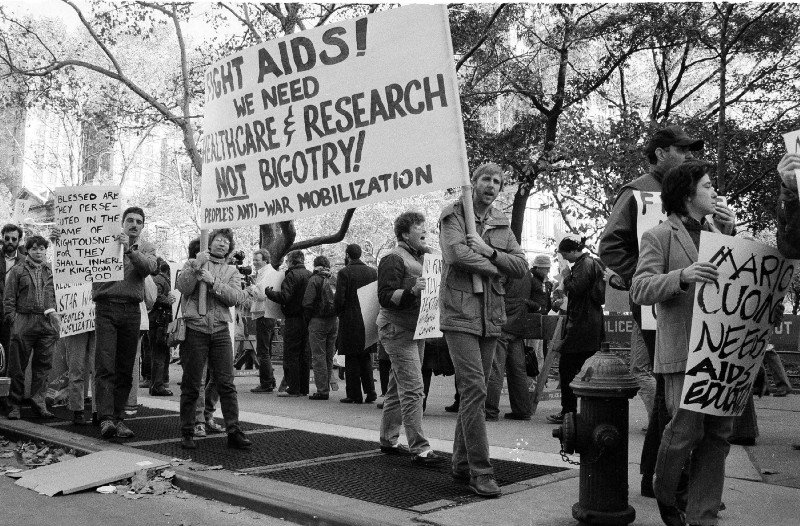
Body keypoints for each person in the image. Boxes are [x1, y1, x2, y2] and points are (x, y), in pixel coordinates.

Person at [598, 124, 735, 497]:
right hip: (660, 307)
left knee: (684, 404)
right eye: (682, 149)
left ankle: (670, 481)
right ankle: (663, 481)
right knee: (669, 395)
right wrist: (654, 275)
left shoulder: (705, 214)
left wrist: (727, 232)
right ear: (660, 153)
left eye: (692, 151)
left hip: (703, 318)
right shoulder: (636, 192)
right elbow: (610, 246)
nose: (689, 156)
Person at [631, 160, 732, 526]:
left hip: (722, 354)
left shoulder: (720, 233)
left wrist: (728, 235)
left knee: (718, 435)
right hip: (684, 351)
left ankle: (703, 515)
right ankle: (665, 487)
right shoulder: (659, 235)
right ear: (688, 195)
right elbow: (640, 288)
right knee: (686, 431)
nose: (714, 192)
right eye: (707, 186)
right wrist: (682, 276)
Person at [439, 163, 527, 498]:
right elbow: (456, 253)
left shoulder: (502, 222)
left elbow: (520, 266)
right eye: (486, 179)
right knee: (476, 388)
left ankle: (462, 464)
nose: (491, 185)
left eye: (498, 181)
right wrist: (496, 267)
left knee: (477, 390)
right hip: (460, 313)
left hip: (492, 316)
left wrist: (489, 250)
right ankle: (481, 470)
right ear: (472, 182)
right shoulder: (454, 214)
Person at [377, 211, 445, 467]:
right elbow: (384, 296)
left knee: (398, 387)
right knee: (414, 388)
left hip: (417, 330)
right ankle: (420, 448)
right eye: (419, 227)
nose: (425, 230)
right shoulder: (393, 259)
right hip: (397, 330)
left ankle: (389, 439)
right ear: (405, 234)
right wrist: (411, 290)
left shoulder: (426, 256)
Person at [176, 229, 250, 450]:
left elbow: (235, 297)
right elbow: (183, 287)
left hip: (219, 330)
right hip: (195, 328)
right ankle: (187, 431)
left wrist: (213, 282)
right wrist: (197, 266)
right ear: (208, 243)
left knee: (226, 383)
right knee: (191, 383)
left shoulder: (232, 271)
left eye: (226, 242)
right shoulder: (193, 262)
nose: (222, 244)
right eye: (218, 240)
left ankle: (234, 431)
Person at [93, 207, 157, 439]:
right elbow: (78, 256)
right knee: (105, 365)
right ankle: (106, 418)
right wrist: (62, 242)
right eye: (129, 220)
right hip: (106, 307)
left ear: (142, 226)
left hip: (131, 310)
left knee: (125, 367)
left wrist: (130, 250)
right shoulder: (103, 241)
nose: (134, 224)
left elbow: (149, 268)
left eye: (138, 221)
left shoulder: (146, 249)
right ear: (122, 222)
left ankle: (118, 418)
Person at [546, 235, 606, 425]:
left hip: (582, 324)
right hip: (590, 323)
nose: (566, 259)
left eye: (565, 255)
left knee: (567, 366)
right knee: (586, 368)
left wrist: (566, 275)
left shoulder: (584, 264)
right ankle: (591, 412)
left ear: (573, 251)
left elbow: (576, 288)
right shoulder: (590, 263)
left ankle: (568, 412)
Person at [4, 235, 60, 420]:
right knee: (17, 367)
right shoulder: (17, 270)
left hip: (46, 323)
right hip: (24, 320)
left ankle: (39, 404)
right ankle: (14, 405)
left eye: (42, 249)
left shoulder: (50, 270)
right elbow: (9, 299)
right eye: (35, 248)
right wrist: (14, 320)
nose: (39, 252)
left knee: (43, 367)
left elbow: (57, 294)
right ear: (27, 250)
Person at [485, 263, 533, 422]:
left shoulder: (505, 266)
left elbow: (496, 291)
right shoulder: (525, 269)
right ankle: (522, 410)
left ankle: (490, 411)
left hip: (503, 322)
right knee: (518, 370)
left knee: (496, 369)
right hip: (518, 323)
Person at [334, 244, 378, 404]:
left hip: (350, 319)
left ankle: (354, 394)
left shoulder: (344, 272)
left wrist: (339, 312)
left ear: (347, 255)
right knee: (365, 356)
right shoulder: (372, 272)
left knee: (351, 358)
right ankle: (370, 391)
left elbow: (339, 299)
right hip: (368, 317)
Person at [266, 250, 311, 398]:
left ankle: (293, 388)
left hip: (293, 318)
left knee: (291, 353)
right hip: (307, 318)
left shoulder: (291, 275)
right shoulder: (310, 274)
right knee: (304, 354)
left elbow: (285, 297)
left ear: (291, 262)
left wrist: (270, 293)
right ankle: (304, 388)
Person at [302, 255, 338, 400]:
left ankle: (322, 390)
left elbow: (307, 302)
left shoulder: (314, 280)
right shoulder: (333, 279)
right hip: (333, 320)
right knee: (329, 356)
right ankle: (327, 384)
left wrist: (307, 320)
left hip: (318, 320)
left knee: (318, 356)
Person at [249, 249, 277, 393]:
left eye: (257, 260)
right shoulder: (268, 272)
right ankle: (270, 380)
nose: (254, 263)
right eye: (253, 260)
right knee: (267, 350)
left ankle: (266, 383)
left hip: (264, 314)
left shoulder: (265, 273)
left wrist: (252, 288)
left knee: (262, 351)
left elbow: (260, 293)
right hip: (269, 314)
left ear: (265, 260)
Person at [0, 224, 25, 381]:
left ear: (19, 240)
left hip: (13, 315)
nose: (10, 241)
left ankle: (7, 396)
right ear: (2, 237)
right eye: (6, 238)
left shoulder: (24, 261)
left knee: (11, 355)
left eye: (13, 239)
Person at [149, 261, 174, 396]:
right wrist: (167, 301)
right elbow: (156, 297)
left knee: (161, 353)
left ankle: (159, 383)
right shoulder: (160, 280)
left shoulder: (158, 279)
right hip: (159, 322)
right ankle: (158, 384)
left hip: (158, 321)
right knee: (159, 353)